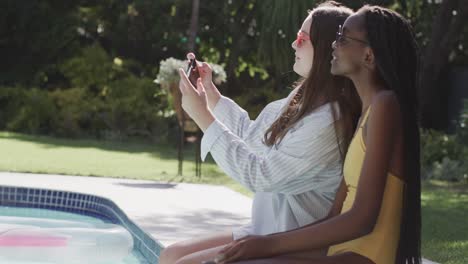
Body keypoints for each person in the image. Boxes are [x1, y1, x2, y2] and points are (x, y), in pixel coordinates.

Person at [213, 4, 422, 264]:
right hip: (342, 251)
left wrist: (269, 244)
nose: (333, 45)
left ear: (368, 56)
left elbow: (362, 219)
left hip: (366, 256)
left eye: (343, 38)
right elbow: (336, 215)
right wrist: (270, 245)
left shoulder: (385, 105)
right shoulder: (365, 112)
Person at [159, 2, 361, 264]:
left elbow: (260, 175)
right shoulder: (300, 100)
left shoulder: (327, 123)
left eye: (302, 38)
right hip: (266, 230)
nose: (293, 44)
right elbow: (252, 135)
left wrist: (202, 116)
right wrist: (210, 94)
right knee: (171, 254)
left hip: (292, 244)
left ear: (324, 49)